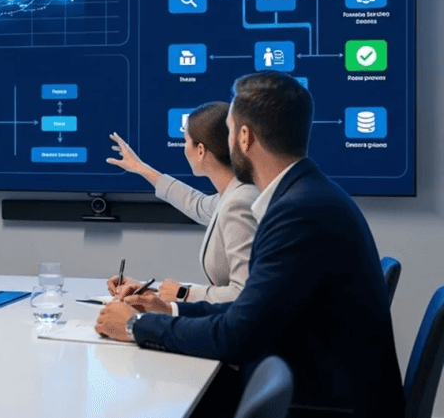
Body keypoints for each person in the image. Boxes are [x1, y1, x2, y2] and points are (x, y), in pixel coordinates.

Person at [95, 71, 405, 416]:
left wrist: (136, 326)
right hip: (323, 384)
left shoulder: (299, 212)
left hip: (322, 404)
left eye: (227, 132)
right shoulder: (305, 195)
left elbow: (236, 335)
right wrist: (168, 309)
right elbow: (252, 310)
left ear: (244, 137)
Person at [105, 102, 258, 303]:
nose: (184, 148)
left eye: (186, 141)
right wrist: (141, 168)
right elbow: (199, 205)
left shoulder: (239, 202)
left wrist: (183, 294)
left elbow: (244, 294)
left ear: (201, 150)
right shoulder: (235, 194)